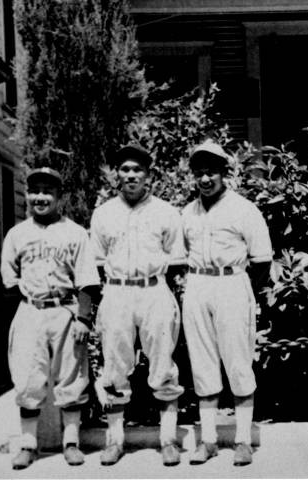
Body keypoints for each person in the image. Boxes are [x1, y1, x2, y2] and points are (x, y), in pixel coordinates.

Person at [90, 143, 185, 467]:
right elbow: (98, 262)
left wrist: (163, 298)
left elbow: (176, 262)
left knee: (163, 365)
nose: (131, 175)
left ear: (148, 175)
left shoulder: (166, 212)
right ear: (117, 174)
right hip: (117, 292)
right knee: (115, 367)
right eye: (125, 169)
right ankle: (115, 441)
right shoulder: (103, 214)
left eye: (137, 170)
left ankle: (168, 440)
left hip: (154, 290)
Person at [1, 167, 100, 469]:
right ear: (28, 195)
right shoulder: (17, 234)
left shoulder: (75, 232)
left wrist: (83, 319)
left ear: (60, 197)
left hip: (65, 309)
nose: (40, 197)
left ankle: (71, 442)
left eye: (48, 191)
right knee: (28, 379)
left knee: (71, 377)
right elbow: (8, 279)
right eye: (35, 191)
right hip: (30, 309)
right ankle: (29, 444)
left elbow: (87, 280)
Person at [182, 139, 273, 466]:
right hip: (197, 284)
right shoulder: (187, 212)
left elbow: (262, 261)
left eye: (212, 172)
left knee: (237, 362)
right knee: (202, 364)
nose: (205, 179)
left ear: (224, 173)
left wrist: (243, 293)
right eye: (199, 173)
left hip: (232, 284)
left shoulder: (243, 209)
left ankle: (243, 441)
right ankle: (207, 440)